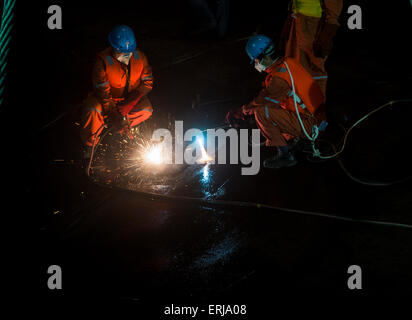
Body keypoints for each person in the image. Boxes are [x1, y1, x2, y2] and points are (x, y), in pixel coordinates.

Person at [226, 35, 326, 169]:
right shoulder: (288, 63)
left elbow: (264, 103)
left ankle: (285, 156)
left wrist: (244, 111)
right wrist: (245, 109)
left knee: (262, 113)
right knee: (274, 109)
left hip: (311, 124)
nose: (256, 64)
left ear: (264, 57)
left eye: (256, 60)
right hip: (318, 115)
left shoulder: (278, 79)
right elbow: (267, 96)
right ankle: (292, 139)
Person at [80, 25, 154, 159]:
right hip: (106, 99)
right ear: (113, 48)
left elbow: (147, 84)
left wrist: (132, 101)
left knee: (146, 110)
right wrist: (114, 114)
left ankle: (121, 128)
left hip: (128, 99)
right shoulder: (102, 62)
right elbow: (103, 94)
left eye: (129, 52)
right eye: (121, 53)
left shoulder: (140, 58)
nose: (125, 56)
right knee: (93, 110)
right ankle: (90, 145)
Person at [278, 0, 343, 96]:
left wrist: (328, 32)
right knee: (292, 65)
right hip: (296, 20)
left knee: (313, 67)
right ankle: (297, 105)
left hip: (312, 24)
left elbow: (334, 6)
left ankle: (315, 106)